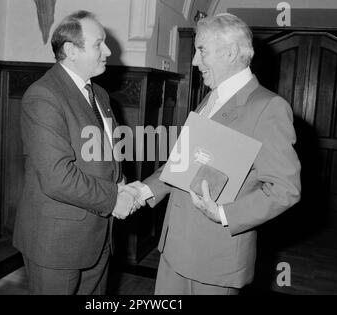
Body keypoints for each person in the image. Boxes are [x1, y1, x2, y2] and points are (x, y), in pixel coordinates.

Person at [128, 13, 301, 294]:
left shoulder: (269, 107)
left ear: (231, 52)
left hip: (214, 260)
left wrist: (224, 214)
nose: (195, 61)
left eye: (202, 50)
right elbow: (181, 163)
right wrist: (142, 192)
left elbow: (285, 189)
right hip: (175, 248)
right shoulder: (211, 98)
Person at [13, 10, 139, 295]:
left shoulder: (100, 94)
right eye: (99, 44)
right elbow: (57, 177)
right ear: (71, 50)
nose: (108, 50)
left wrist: (122, 186)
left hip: (98, 236)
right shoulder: (43, 95)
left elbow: (108, 154)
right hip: (57, 243)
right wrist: (113, 199)